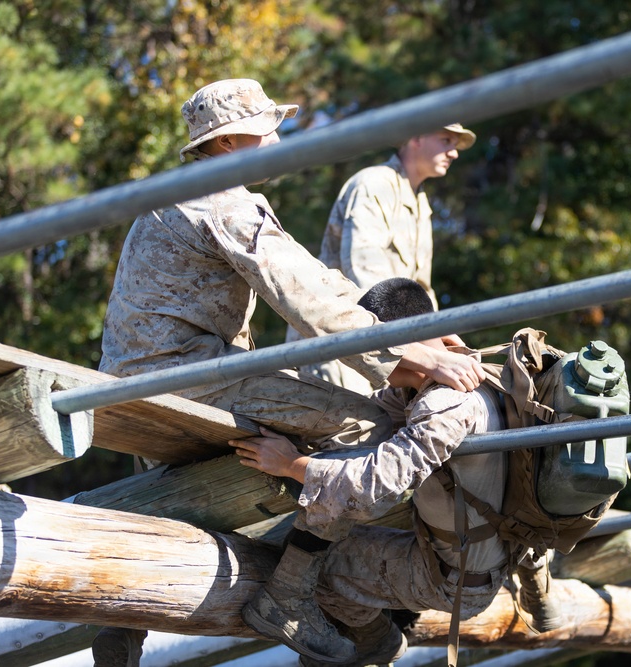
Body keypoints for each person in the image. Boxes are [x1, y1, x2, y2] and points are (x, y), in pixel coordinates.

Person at [95, 79, 486, 666]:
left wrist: (414, 336)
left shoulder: (188, 192)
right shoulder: (224, 199)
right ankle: (295, 592)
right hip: (186, 374)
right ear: (228, 142)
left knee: (173, 487)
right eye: (267, 128)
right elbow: (304, 295)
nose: (280, 138)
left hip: (151, 369)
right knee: (375, 429)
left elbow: (314, 279)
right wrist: (412, 358)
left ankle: (122, 618)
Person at [232, 278, 562, 667]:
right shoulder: (485, 368)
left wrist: (289, 464)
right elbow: (371, 413)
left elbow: (376, 485)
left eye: (372, 351)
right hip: (514, 540)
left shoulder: (444, 404)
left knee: (320, 564)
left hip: (461, 579)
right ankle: (538, 587)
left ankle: (376, 641)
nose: (368, 362)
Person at [286, 123, 476, 395]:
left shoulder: (420, 203)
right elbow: (370, 283)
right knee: (343, 437)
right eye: (446, 139)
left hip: (388, 351)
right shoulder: (373, 185)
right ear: (415, 137)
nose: (454, 152)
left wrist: (443, 343)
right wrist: (432, 352)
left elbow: (421, 292)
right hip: (341, 350)